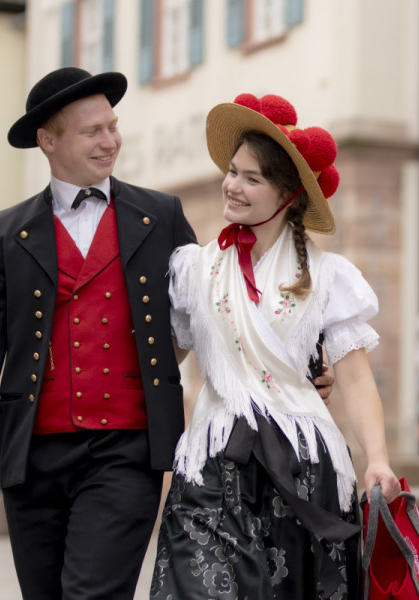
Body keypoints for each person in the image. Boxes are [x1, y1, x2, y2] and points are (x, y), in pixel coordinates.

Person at [0, 68, 198, 599]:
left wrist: (303, 369)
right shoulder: (6, 232)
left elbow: (214, 308)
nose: (110, 141)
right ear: (48, 141)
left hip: (126, 450)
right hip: (34, 455)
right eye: (93, 131)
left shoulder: (160, 216)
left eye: (112, 127)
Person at [151, 93, 400, 599]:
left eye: (252, 178)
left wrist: (377, 458)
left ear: (287, 196)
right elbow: (165, 361)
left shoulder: (329, 277)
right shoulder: (195, 269)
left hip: (302, 465)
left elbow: (354, 378)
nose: (232, 185)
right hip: (213, 460)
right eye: (232, 171)